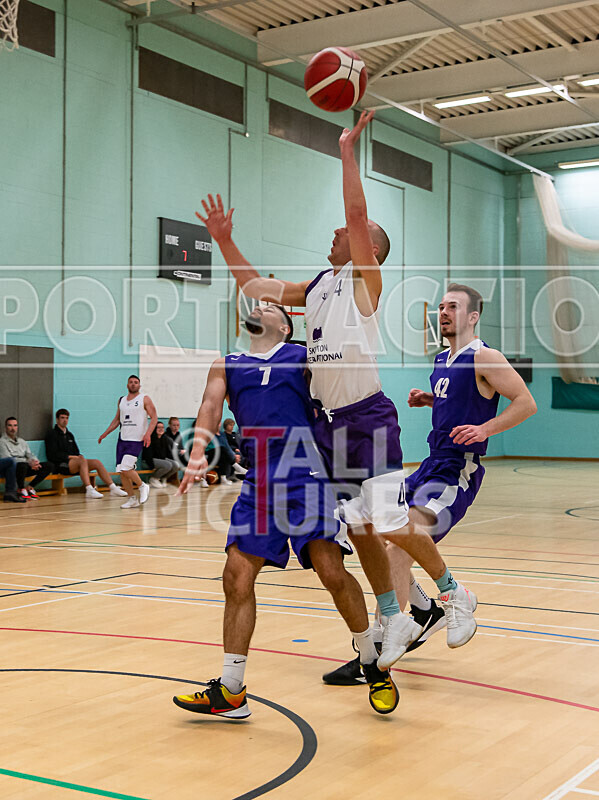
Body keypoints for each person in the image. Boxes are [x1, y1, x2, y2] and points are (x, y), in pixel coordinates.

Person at [195, 112, 476, 671]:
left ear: (367, 246)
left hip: (365, 415)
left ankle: (453, 593)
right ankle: (394, 613)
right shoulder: (319, 286)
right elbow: (255, 286)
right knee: (357, 526)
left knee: (387, 521)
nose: (335, 232)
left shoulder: (363, 281)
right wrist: (225, 241)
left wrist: (348, 152)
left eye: (344, 232)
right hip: (329, 425)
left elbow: (356, 211)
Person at [172, 303, 400, 718]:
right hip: (260, 480)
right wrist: (199, 449)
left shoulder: (302, 357)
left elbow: (343, 390)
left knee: (330, 571)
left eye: (269, 307)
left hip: (307, 472)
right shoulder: (228, 363)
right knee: (235, 577)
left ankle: (372, 660)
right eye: (255, 305)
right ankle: (232, 688)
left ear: (283, 325)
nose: (257, 307)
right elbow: (209, 406)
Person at [324, 283, 537, 685]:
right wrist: (429, 400)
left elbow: (525, 402)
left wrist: (485, 428)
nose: (443, 312)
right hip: (428, 463)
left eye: (453, 307)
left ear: (473, 316)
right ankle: (425, 608)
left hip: (456, 470)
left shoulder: (485, 356)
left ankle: (382, 645)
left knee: (400, 545)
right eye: (441, 306)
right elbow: (460, 399)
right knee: (385, 534)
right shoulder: (442, 358)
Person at [98, 376, 158, 509]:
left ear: (139, 386)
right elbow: (116, 420)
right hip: (122, 439)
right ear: (127, 385)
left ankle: (143, 485)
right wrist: (105, 433)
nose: (133, 384)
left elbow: (154, 417)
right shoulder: (122, 400)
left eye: (136, 382)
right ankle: (132, 499)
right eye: (131, 382)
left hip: (137, 439)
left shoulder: (144, 399)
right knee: (122, 471)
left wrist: (148, 433)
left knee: (126, 467)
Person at [45, 409, 127, 499]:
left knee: (96, 462)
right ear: (57, 419)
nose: (65, 420)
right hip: (61, 464)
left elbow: (76, 451)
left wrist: (78, 456)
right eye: (62, 418)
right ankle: (89, 489)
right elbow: (52, 455)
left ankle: (113, 488)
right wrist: (71, 457)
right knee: (81, 461)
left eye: (67, 418)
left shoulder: (69, 435)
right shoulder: (51, 434)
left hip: (74, 462)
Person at [0, 417, 52, 499]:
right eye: (10, 426)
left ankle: (30, 487)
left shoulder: (22, 441)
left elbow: (29, 454)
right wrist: (29, 462)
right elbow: (8, 460)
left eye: (15, 425)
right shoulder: (2, 442)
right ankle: (20, 489)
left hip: (26, 466)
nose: (12, 428)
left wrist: (34, 461)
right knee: (22, 465)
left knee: (49, 465)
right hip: (13, 469)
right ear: (6, 427)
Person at [142, 421, 179, 488]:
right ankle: (153, 478)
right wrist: (152, 466)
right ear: (154, 429)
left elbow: (168, 453)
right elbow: (147, 455)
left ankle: (163, 478)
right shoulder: (149, 438)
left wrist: (173, 460)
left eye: (162, 427)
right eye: (158, 427)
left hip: (161, 460)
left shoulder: (165, 438)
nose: (161, 429)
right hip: (148, 461)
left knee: (176, 465)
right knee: (168, 465)